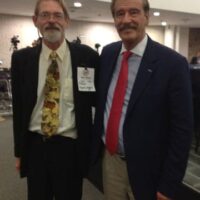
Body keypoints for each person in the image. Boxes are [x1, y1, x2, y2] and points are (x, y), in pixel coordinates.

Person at [91, 0, 193, 200]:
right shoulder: (108, 54)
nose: (126, 20)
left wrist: (169, 184)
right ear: (114, 19)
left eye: (133, 12)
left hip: (150, 168)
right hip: (111, 162)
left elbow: (182, 129)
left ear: (146, 16)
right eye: (120, 13)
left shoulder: (172, 64)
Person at [11, 0, 99, 199]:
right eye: (45, 15)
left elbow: (96, 103)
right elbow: (18, 109)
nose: (52, 20)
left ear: (67, 20)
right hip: (35, 147)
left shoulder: (88, 57)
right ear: (36, 21)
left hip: (70, 148)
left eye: (58, 15)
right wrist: (19, 152)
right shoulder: (21, 60)